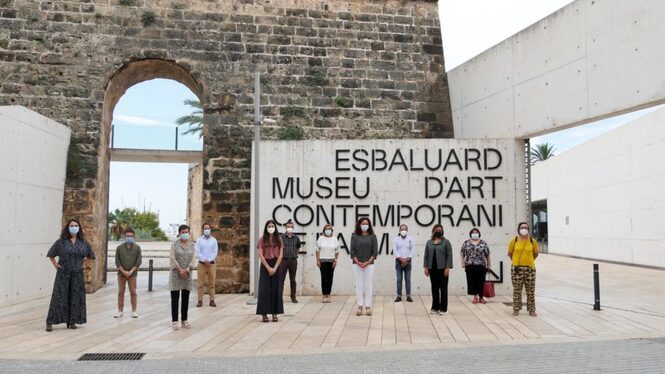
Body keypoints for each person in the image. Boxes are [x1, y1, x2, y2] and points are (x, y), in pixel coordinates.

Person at [45, 219, 95, 332]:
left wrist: (83, 264)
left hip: (77, 274)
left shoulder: (83, 243)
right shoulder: (61, 242)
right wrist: (56, 265)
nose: (74, 227)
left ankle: (72, 321)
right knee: (59, 297)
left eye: (76, 225)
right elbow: (51, 254)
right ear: (67, 228)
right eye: (71, 225)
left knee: (76, 298)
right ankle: (50, 321)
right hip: (63, 274)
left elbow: (90, 256)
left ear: (79, 228)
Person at [508, 222, 539, 317]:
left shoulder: (532, 241)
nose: (524, 229)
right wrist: (516, 262)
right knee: (517, 290)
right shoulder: (514, 240)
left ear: (528, 229)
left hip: (530, 268)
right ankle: (516, 309)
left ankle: (532, 310)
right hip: (517, 268)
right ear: (518, 229)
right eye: (522, 227)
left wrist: (528, 261)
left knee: (530, 290)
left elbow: (535, 253)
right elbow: (510, 253)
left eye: (526, 227)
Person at [169, 224, 197, 330]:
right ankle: (175, 321)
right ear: (179, 233)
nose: (185, 234)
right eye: (183, 232)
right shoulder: (174, 244)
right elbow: (172, 257)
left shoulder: (192, 245)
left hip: (187, 274)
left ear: (189, 233)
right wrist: (180, 269)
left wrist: (188, 269)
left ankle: (184, 320)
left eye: (186, 232)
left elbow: (193, 258)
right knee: (175, 298)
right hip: (176, 273)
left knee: (186, 298)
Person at [256, 220, 284, 322]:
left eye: (272, 226)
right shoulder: (262, 239)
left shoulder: (279, 239)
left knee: (276, 289)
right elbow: (260, 254)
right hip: (265, 265)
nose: (271, 227)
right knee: (264, 290)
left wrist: (275, 267)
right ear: (266, 228)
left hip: (276, 264)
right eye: (269, 226)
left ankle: (275, 313)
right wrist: (268, 268)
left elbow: (281, 254)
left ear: (275, 227)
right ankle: (264, 314)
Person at [350, 217, 378, 316]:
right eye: (363, 223)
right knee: (359, 285)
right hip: (357, 264)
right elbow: (352, 251)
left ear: (369, 225)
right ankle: (360, 305)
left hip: (369, 264)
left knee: (368, 284)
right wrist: (357, 262)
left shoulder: (372, 236)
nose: (365, 225)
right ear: (359, 225)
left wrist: (367, 262)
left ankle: (368, 306)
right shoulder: (354, 236)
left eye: (366, 224)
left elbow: (375, 252)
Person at [423, 224, 452, 315]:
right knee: (434, 288)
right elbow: (426, 255)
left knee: (443, 289)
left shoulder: (446, 242)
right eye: (437, 229)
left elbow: (449, 255)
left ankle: (443, 308)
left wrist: (448, 267)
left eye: (440, 230)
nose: (439, 231)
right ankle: (435, 307)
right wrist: (426, 267)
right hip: (432, 269)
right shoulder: (429, 242)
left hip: (443, 269)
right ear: (434, 231)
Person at [114, 228, 142, 318]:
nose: (129, 237)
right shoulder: (119, 248)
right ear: (124, 236)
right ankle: (120, 311)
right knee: (121, 292)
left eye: (131, 236)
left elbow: (138, 261)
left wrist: (130, 271)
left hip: (132, 275)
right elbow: (117, 261)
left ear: (133, 237)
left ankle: (134, 311)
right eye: (127, 236)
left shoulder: (137, 248)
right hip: (121, 274)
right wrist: (123, 271)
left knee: (133, 292)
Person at [460, 227, 491, 304]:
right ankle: (475, 296)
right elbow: (462, 253)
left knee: (481, 281)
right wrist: (463, 262)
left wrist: (489, 264)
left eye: (476, 232)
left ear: (479, 234)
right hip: (470, 265)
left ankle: (481, 297)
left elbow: (487, 255)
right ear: (470, 234)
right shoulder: (466, 243)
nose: (475, 233)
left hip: (481, 265)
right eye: (473, 232)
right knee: (472, 281)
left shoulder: (483, 243)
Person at [195, 223, 219, 308]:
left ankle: (212, 300)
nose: (207, 230)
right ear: (202, 229)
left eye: (208, 228)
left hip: (211, 264)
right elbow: (198, 252)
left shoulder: (214, 240)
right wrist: (204, 260)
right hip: (201, 264)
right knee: (200, 283)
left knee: (212, 283)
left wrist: (209, 260)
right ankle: (200, 300)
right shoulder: (199, 240)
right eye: (205, 228)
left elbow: (215, 252)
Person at [316, 224, 340, 303]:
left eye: (329, 229)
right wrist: (318, 260)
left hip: (331, 261)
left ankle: (328, 295)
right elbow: (317, 250)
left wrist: (335, 260)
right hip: (322, 261)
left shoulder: (334, 239)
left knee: (330, 278)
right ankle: (324, 295)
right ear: (324, 230)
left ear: (331, 230)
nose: (328, 230)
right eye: (326, 229)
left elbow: (337, 251)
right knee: (324, 278)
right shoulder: (321, 238)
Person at [279, 220, 301, 303]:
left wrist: (295, 254)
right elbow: (278, 248)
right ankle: (279, 297)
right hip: (283, 260)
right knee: (281, 279)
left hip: (293, 261)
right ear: (285, 227)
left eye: (291, 227)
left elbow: (298, 247)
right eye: (288, 227)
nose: (289, 228)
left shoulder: (296, 238)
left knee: (293, 279)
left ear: (293, 228)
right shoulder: (281, 237)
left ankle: (293, 297)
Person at [393, 224, 415, 303]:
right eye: (402, 229)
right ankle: (399, 296)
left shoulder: (411, 239)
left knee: (408, 279)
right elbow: (395, 251)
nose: (403, 231)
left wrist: (407, 260)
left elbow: (412, 250)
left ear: (407, 230)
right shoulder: (396, 239)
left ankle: (408, 296)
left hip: (408, 262)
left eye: (404, 229)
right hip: (399, 262)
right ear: (399, 230)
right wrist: (402, 260)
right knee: (399, 279)